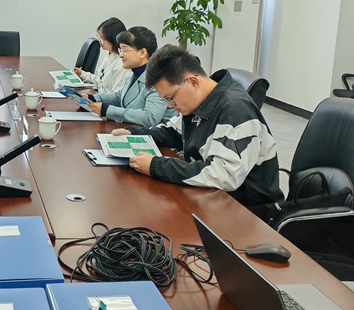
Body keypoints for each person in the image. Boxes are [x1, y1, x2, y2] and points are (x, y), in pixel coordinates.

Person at [112, 45, 283, 213]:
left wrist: (156, 165)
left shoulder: (234, 110)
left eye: (170, 98)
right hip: (212, 195)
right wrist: (134, 133)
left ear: (193, 82)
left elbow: (223, 174)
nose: (171, 106)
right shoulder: (200, 100)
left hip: (246, 210)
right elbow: (174, 132)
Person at [86, 26, 175, 127]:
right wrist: (91, 98)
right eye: (120, 50)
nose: (121, 55)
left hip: (154, 135)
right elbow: (119, 96)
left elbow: (150, 117)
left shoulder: (157, 80)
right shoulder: (135, 73)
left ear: (142, 53)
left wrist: (107, 110)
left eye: (125, 50)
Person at [74, 17, 130, 94]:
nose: (100, 41)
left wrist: (93, 97)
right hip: (99, 95)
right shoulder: (109, 55)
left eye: (103, 39)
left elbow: (116, 95)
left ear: (113, 39)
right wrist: (82, 74)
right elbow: (100, 81)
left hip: (104, 99)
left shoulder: (121, 64)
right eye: (100, 37)